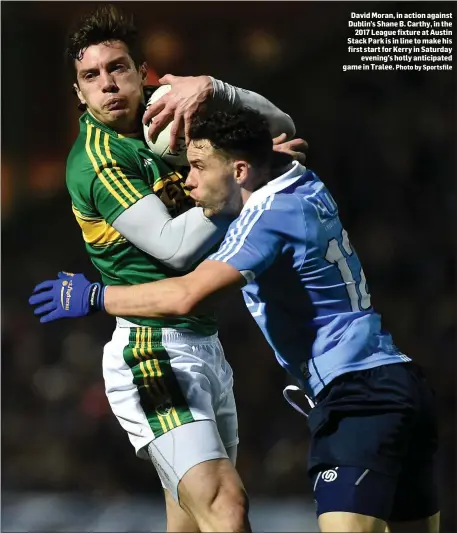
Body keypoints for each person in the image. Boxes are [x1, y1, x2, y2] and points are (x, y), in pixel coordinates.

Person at [30, 108, 440, 533]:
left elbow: (187, 294)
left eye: (199, 166)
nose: (188, 181)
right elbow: (268, 140)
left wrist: (96, 296)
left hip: (356, 396)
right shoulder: (302, 180)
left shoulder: (265, 220)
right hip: (401, 381)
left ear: (240, 170)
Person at [34, 4, 307, 532]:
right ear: (79, 93)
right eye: (91, 76)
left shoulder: (173, 112)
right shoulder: (96, 159)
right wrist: (244, 183)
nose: (107, 84)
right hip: (151, 351)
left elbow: (281, 127)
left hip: (204, 343)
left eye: (118, 68)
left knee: (189, 522)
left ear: (142, 72)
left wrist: (217, 88)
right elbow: (173, 248)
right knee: (227, 506)